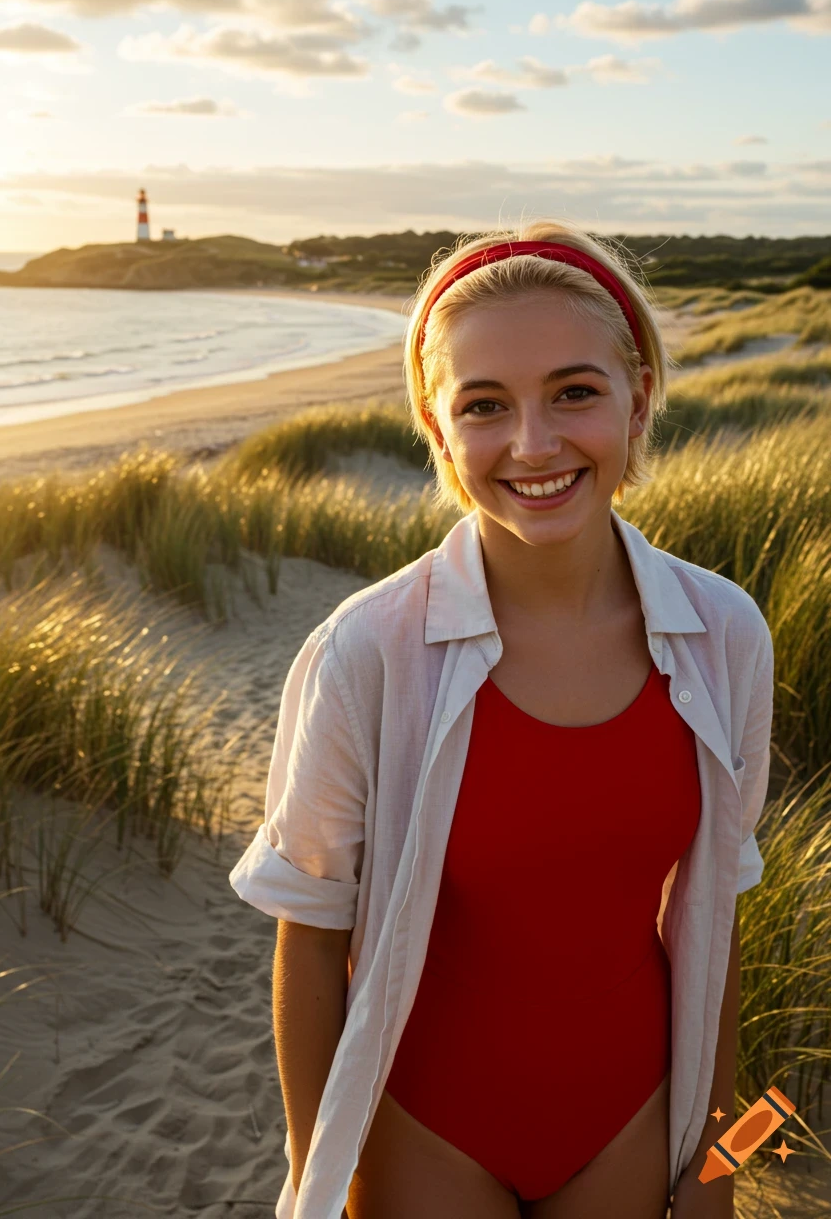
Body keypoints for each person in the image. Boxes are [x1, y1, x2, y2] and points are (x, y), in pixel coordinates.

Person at [229, 219, 775, 1219]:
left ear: (638, 395)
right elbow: (308, 933)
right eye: (484, 405)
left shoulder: (723, 633)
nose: (532, 444)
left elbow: (712, 909)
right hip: (423, 1128)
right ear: (437, 430)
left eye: (574, 390)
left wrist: (714, 1161)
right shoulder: (367, 650)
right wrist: (318, 1184)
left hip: (632, 1112)